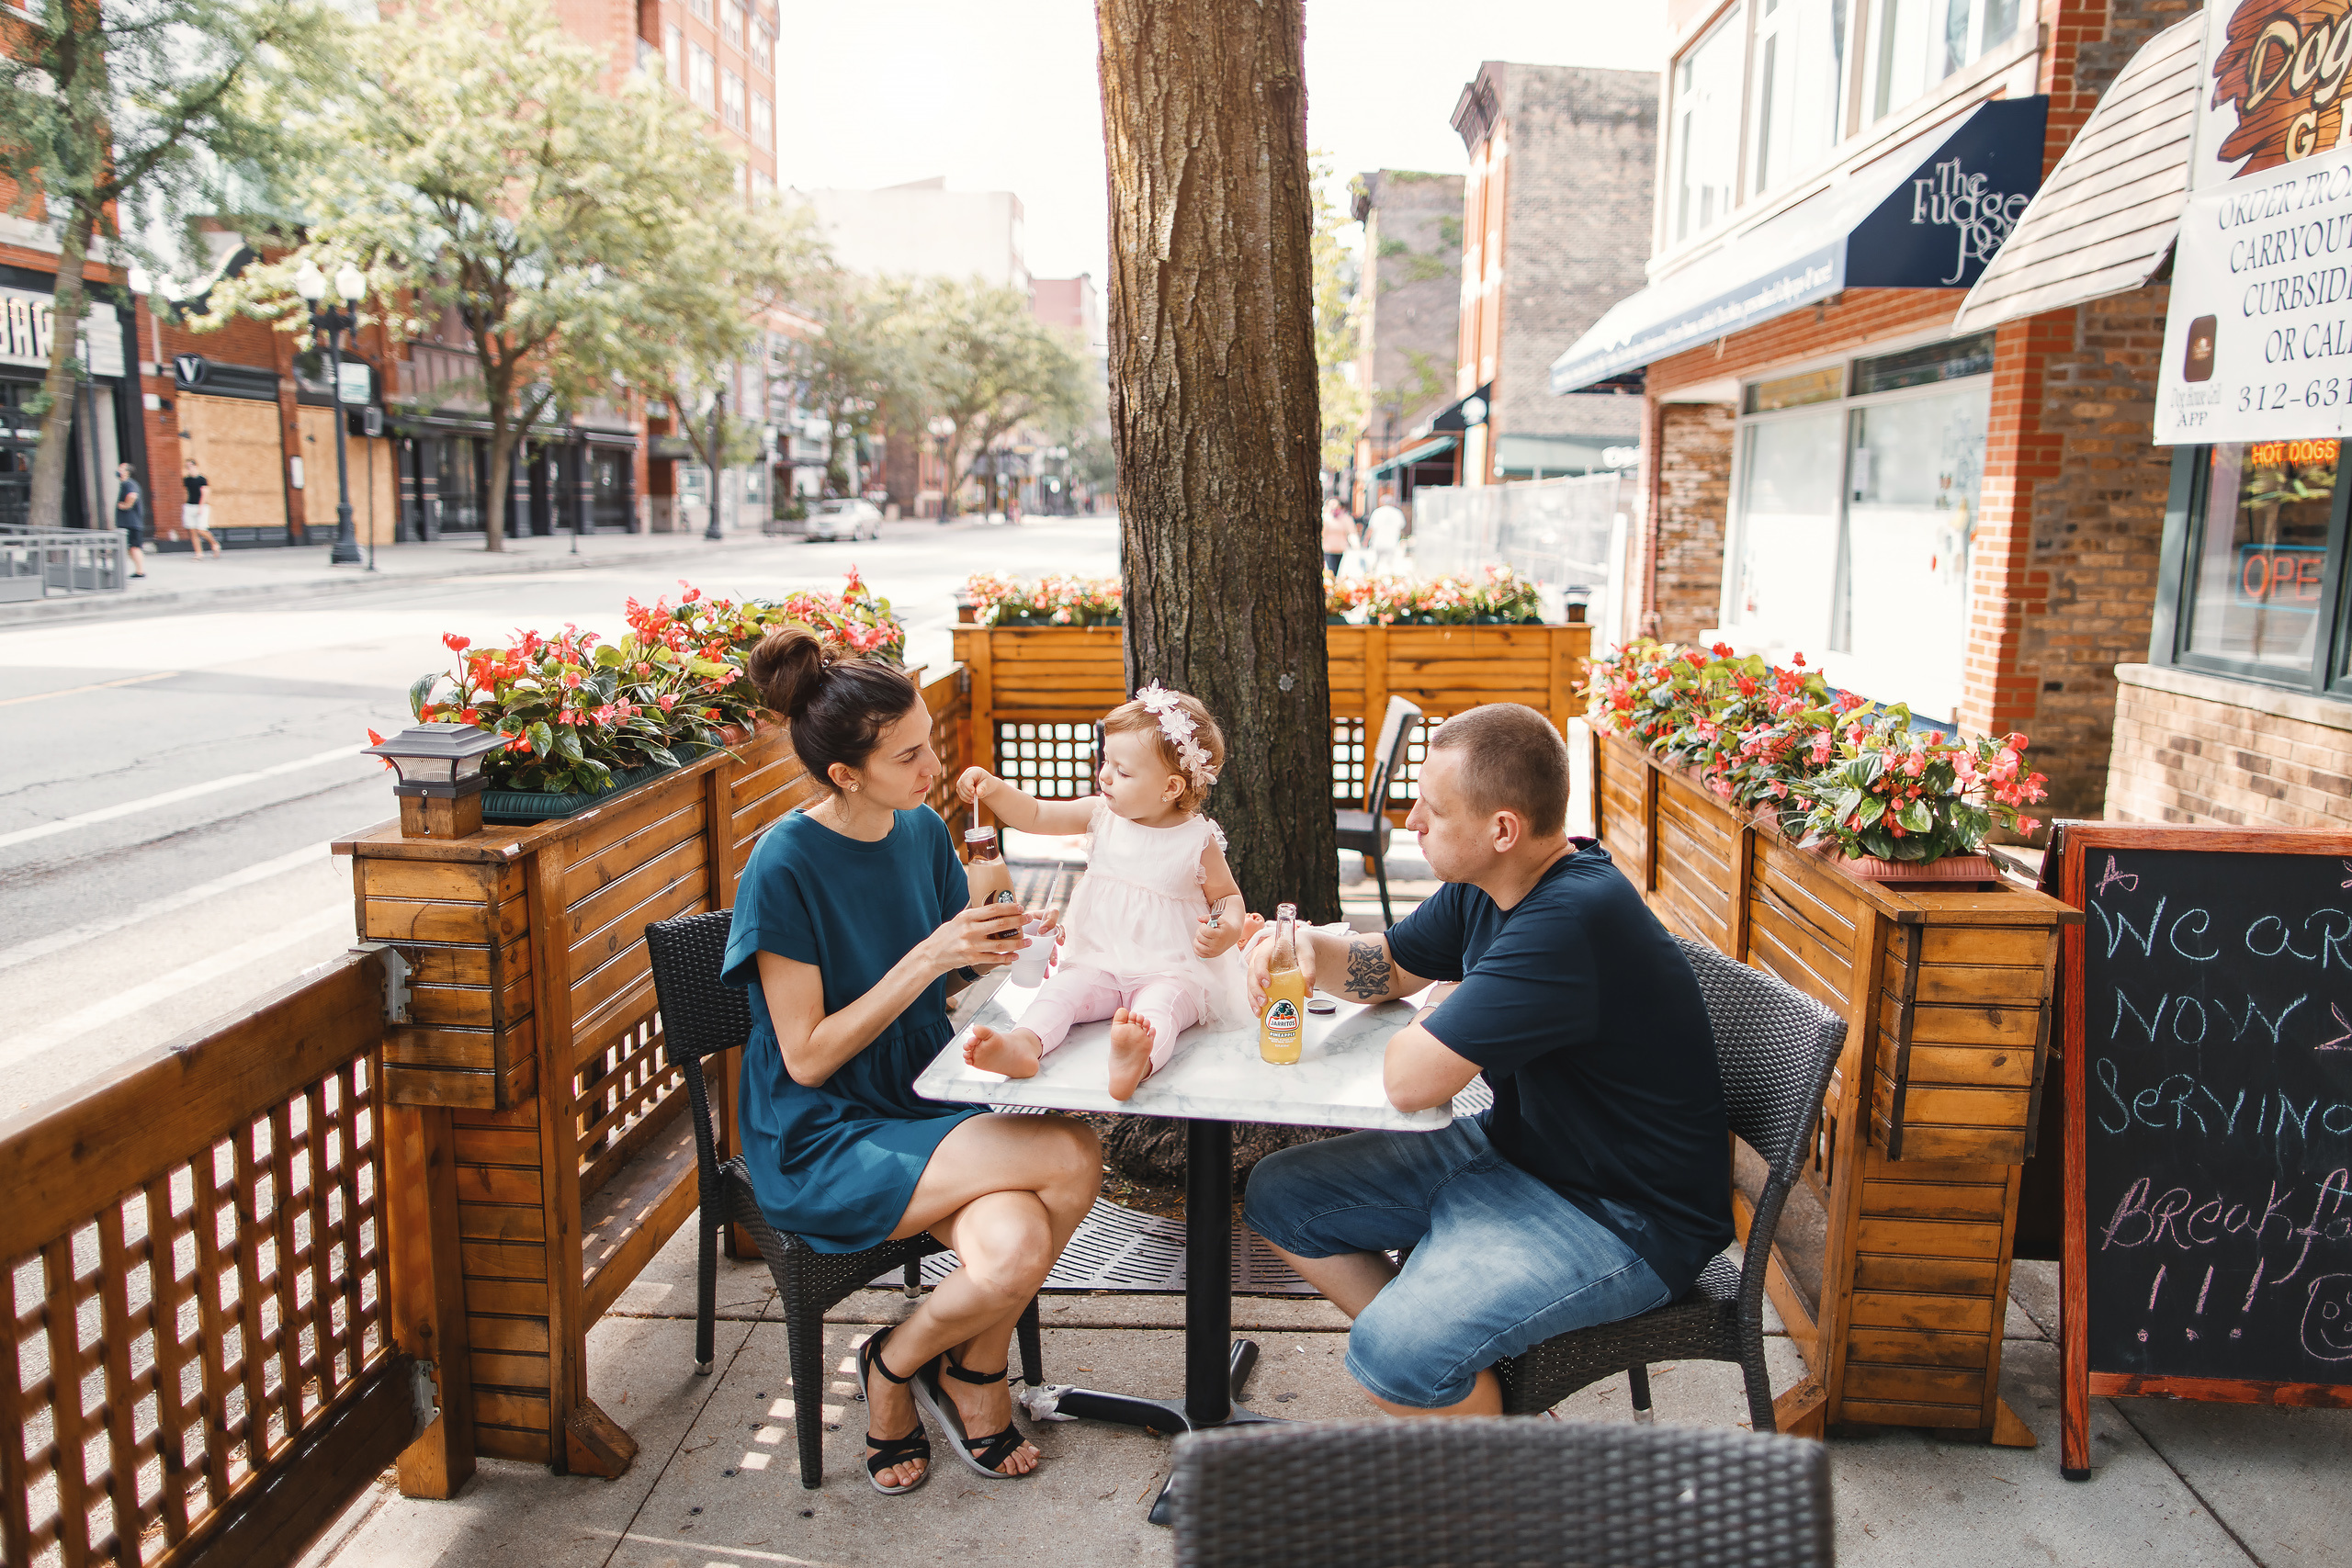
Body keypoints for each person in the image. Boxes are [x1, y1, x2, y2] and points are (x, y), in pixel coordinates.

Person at [1239, 703, 1732, 1418]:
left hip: (1621, 1215)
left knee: (1393, 1355)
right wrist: (1309, 949)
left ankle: (1491, 1477)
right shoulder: (1489, 884)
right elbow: (1391, 962)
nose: (1410, 820)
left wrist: (1449, 999)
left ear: (1502, 828)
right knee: (1280, 1196)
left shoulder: (1569, 920)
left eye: (1432, 809)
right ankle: (1465, 1381)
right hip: (1520, 1151)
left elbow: (1411, 1081)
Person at [725, 625, 1102, 1493]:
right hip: (822, 1130)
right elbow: (809, 1056)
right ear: (843, 773)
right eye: (908, 755)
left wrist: (998, 941)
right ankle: (957, 1381)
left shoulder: (920, 830)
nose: (932, 765)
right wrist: (934, 954)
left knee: (1012, 1251)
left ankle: (909, 1365)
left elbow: (956, 962)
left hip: (921, 1091)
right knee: (1070, 1151)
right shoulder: (782, 864)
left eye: (929, 740)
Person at [956, 683, 1256, 1101]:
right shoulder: (1101, 814)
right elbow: (1037, 813)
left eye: (1123, 771)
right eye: (1106, 761)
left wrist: (1226, 928)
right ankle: (1024, 1043)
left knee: (1161, 1009)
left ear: (1170, 788)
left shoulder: (1195, 839)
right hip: (1100, 960)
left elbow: (1227, 897)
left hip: (1173, 968)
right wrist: (993, 789)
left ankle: (1136, 1058)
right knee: (1062, 992)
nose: (1105, 775)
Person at [181, 458, 221, 558]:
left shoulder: (202, 479)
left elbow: (205, 493)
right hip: (190, 506)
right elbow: (187, 492)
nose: (189, 469)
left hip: (201, 506)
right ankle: (198, 553)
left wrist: (201, 506)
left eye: (190, 466)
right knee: (192, 530)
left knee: (201, 529)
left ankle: (214, 543)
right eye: (187, 467)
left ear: (195, 466)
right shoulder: (187, 479)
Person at [113, 461, 148, 577]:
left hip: (131, 523)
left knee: (134, 547)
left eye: (121, 469)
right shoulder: (126, 484)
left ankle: (140, 571)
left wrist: (125, 505)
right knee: (131, 548)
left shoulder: (129, 484)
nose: (118, 471)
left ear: (127, 472)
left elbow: (132, 495)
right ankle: (138, 570)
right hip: (129, 523)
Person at [1365, 488, 1408, 574]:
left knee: (1374, 565)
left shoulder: (1377, 512)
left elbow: (1371, 528)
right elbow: (1402, 528)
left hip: (1378, 542)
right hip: (1392, 542)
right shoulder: (1397, 513)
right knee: (1390, 566)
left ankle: (1373, 580)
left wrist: (1366, 541)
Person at [1321, 497, 1358, 573]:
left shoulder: (1346, 518)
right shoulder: (1326, 518)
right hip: (1328, 549)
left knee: (1336, 570)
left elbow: (1352, 532)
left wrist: (1356, 545)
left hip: (1340, 549)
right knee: (1331, 569)